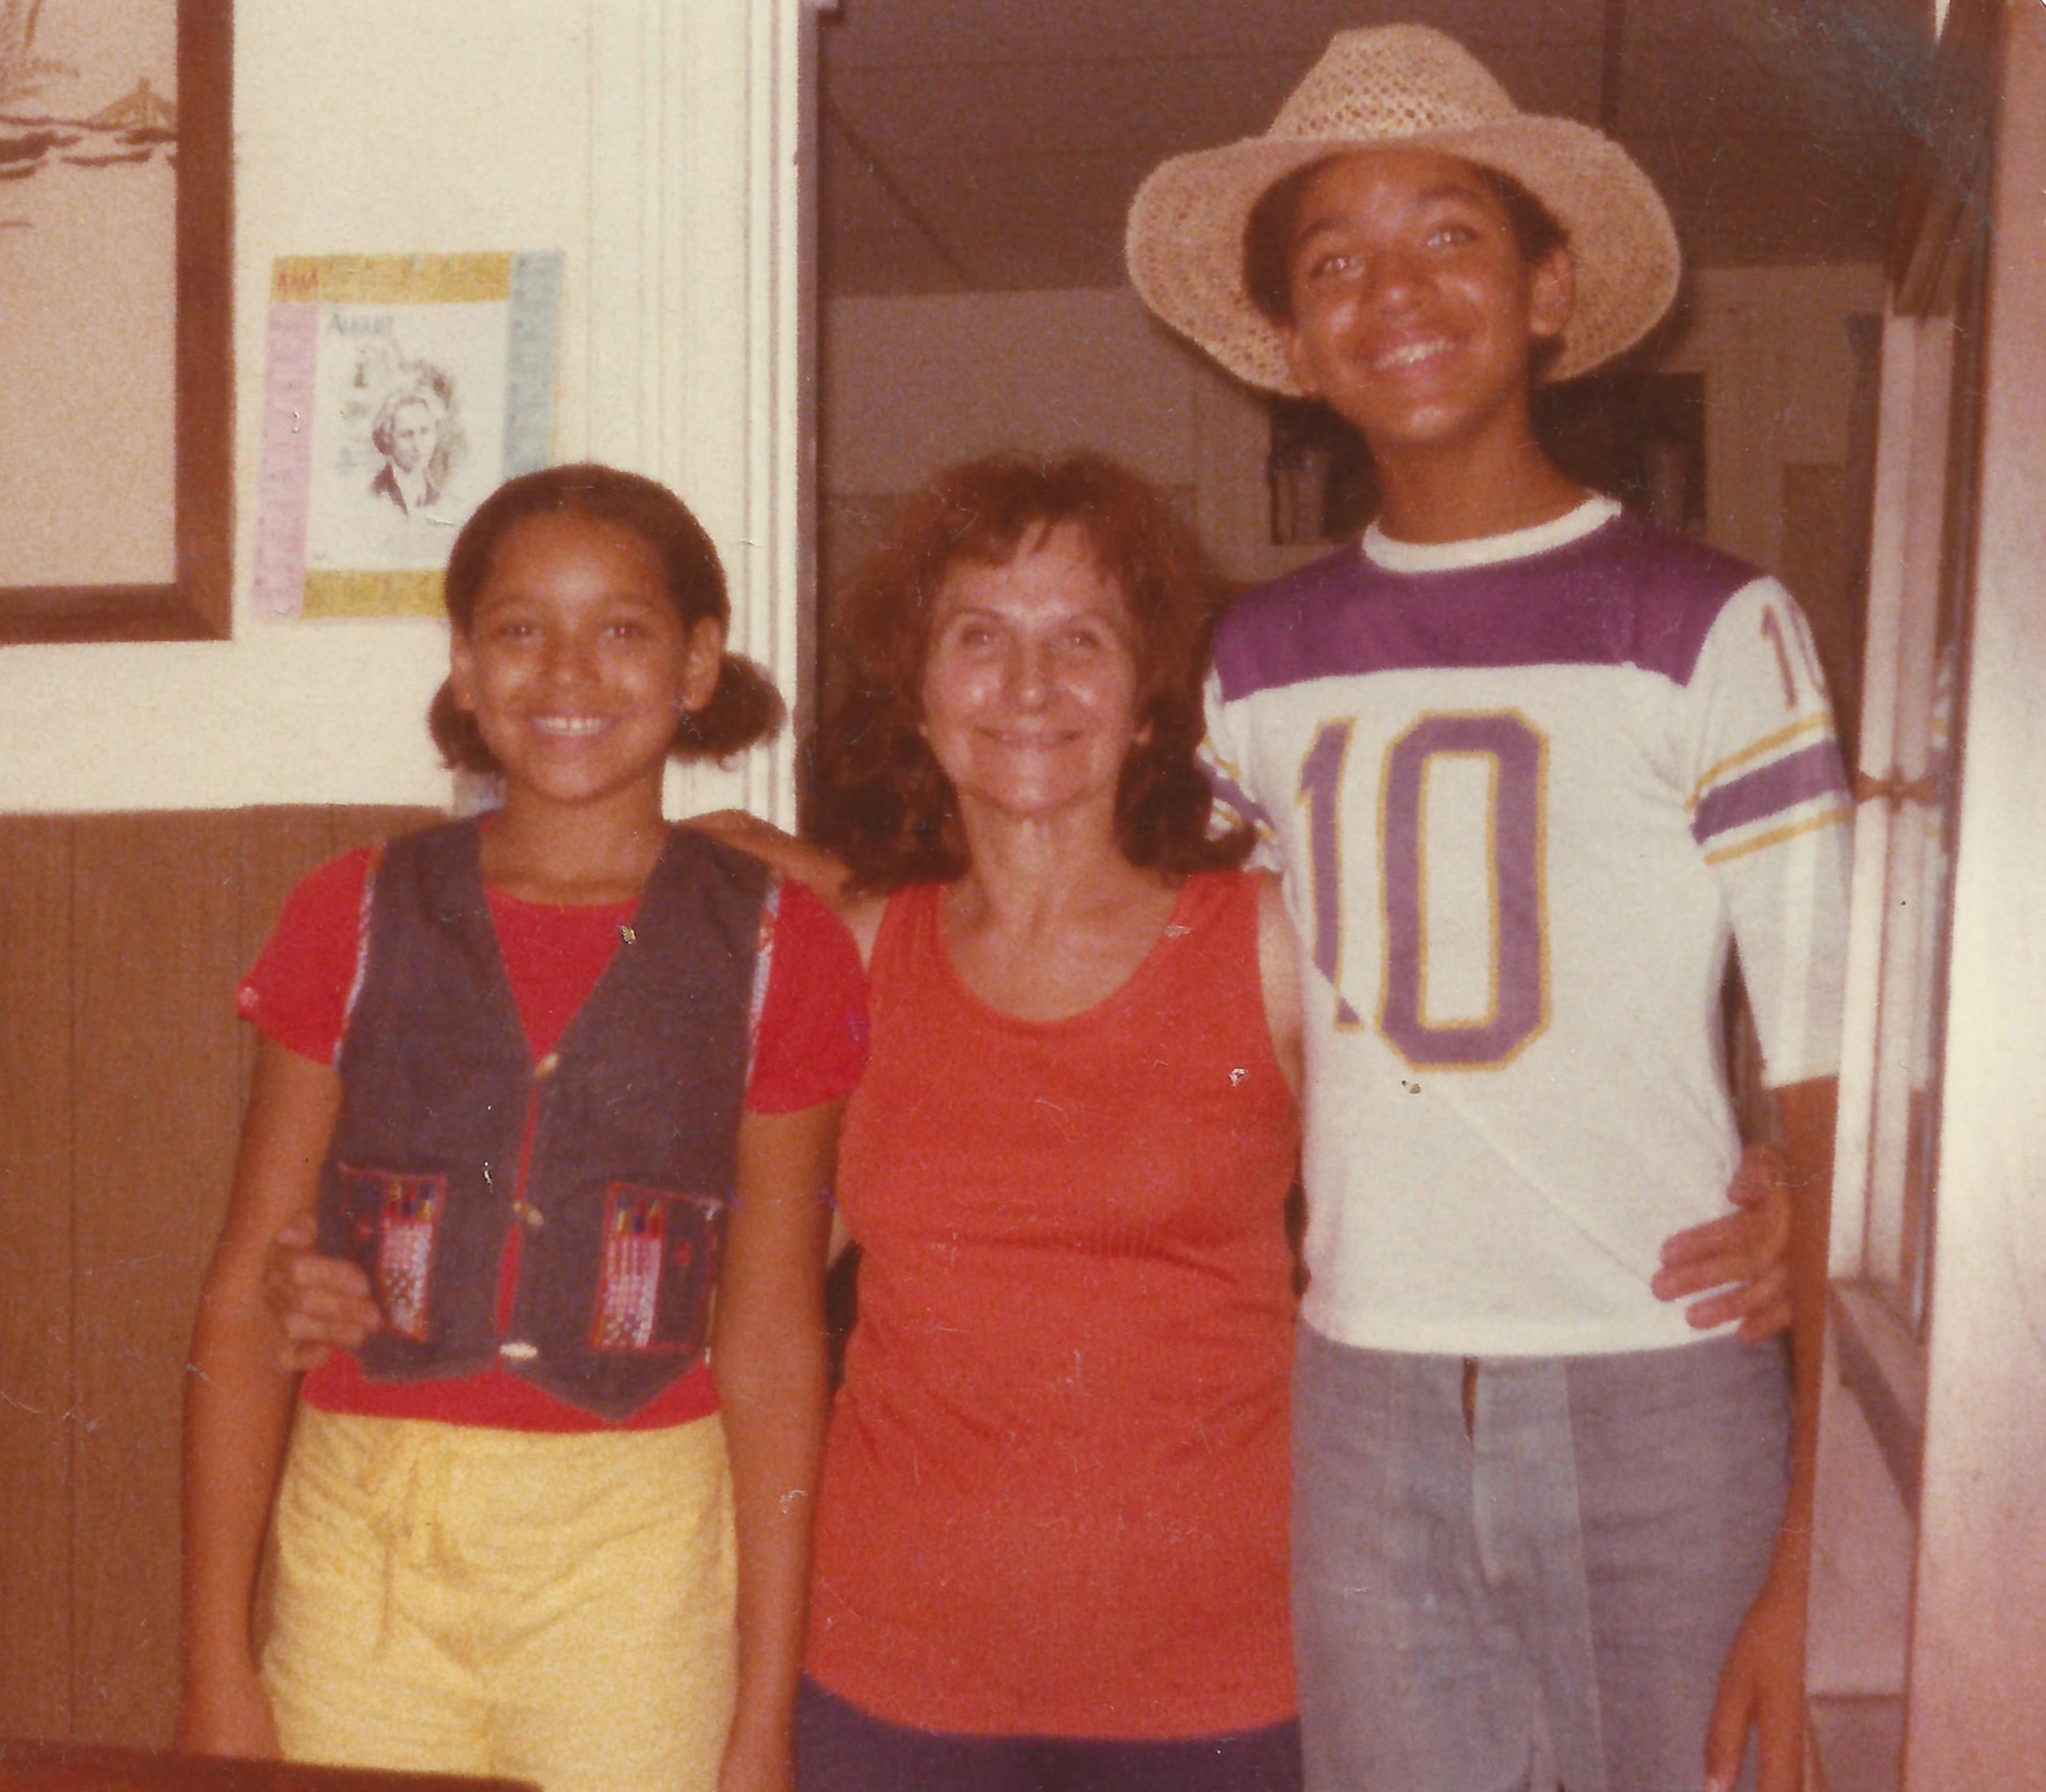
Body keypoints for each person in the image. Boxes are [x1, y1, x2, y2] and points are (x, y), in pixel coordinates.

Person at [265, 454, 1795, 1792]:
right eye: (979, 640)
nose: (1030, 685)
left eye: (1083, 643)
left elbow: (1497, 1107)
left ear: (1148, 706)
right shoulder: (839, 952)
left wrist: (1772, 1179)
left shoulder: (1268, 939)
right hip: (886, 1681)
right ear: (919, 693)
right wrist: (348, 1270)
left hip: (1224, 1681)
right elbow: (695, 1236)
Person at [1126, 25, 1850, 1792]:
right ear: (1294, 345)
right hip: (1365, 1397)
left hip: (1664, 1391)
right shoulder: (1261, 658)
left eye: (1448, 233)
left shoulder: (1706, 618)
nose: (1396, 291)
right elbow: (1236, 1003)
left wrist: (1811, 1560)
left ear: (1547, 286)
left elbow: (1837, 1057)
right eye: (1334, 262)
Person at [177, 463, 868, 1792]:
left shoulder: (784, 941)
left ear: (696, 664)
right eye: (517, 628)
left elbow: (778, 1338)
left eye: (622, 628)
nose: (568, 671)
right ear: (463, 661)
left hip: (638, 1548)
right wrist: (218, 1667)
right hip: (365, 1540)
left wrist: (762, 1716)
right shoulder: (355, 910)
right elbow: (241, 1295)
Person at [368, 387, 445, 516]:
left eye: (425, 431)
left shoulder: (440, 498)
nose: (418, 445)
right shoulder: (375, 495)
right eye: (407, 435)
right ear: (388, 439)